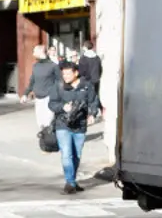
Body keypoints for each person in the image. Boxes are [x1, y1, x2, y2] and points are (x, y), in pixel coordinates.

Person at [48, 61, 100, 195]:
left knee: (76, 155)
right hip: (62, 124)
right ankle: (69, 183)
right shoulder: (58, 86)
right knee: (67, 154)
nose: (65, 76)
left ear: (76, 73)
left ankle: (72, 181)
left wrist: (92, 114)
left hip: (80, 125)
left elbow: (93, 101)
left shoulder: (87, 86)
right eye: (63, 73)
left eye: (68, 73)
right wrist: (62, 107)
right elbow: (52, 104)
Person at [20, 45, 62, 129]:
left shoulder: (53, 66)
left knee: (48, 123)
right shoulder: (36, 66)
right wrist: (25, 94)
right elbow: (32, 81)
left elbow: (60, 81)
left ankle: (51, 139)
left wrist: (59, 95)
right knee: (40, 123)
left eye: (34, 52)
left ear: (40, 52)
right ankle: (45, 139)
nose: (33, 54)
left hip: (49, 97)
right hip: (38, 98)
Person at [78, 40, 103, 105]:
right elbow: (100, 69)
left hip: (86, 80)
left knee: (86, 98)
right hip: (96, 80)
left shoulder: (83, 58)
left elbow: (81, 71)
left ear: (85, 47)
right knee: (95, 96)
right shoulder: (97, 57)